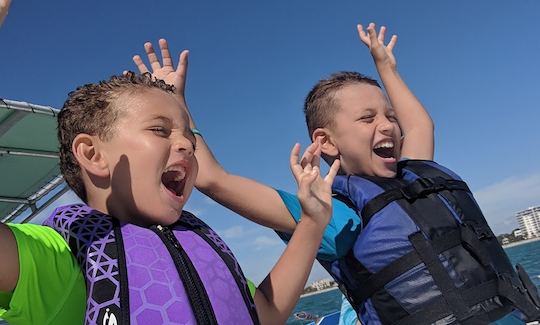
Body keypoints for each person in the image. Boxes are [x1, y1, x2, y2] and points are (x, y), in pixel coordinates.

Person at [154, 23, 540, 324]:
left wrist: (386, 68)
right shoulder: (333, 213)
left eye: (390, 115)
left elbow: (421, 126)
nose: (388, 125)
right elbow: (213, 178)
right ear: (326, 142)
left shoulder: (416, 175)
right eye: (368, 118)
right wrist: (177, 103)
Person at [0, 47, 340, 324]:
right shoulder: (55, 257)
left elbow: (264, 312)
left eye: (189, 137)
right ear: (92, 154)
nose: (187, 145)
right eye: (160, 131)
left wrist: (312, 222)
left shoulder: (199, 247)